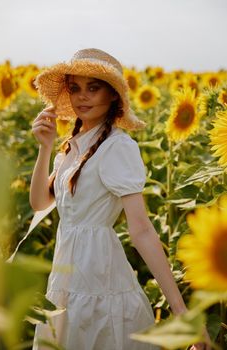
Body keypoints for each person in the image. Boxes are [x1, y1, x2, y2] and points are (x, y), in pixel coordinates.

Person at [30, 48, 211, 350]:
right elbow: (39, 203)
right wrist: (44, 148)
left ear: (113, 94)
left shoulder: (117, 147)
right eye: (75, 88)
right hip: (66, 277)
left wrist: (182, 314)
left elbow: (141, 230)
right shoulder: (73, 146)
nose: (82, 97)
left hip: (100, 277)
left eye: (93, 87)